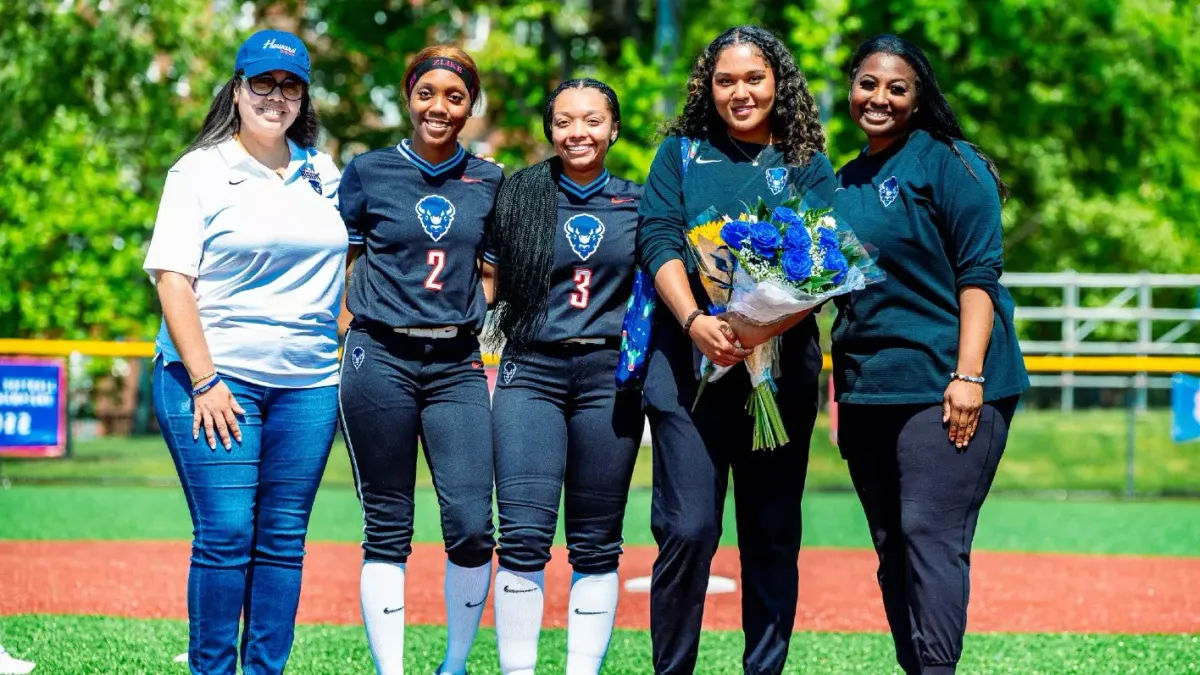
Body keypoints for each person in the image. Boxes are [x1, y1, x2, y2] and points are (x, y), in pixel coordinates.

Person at [143, 29, 345, 675]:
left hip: (309, 386)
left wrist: (333, 329)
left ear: (303, 95)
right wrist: (205, 380)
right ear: (237, 89)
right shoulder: (199, 170)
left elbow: (354, 261)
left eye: (290, 85)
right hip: (216, 382)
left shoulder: (324, 170)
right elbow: (173, 278)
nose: (275, 96)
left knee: (283, 542)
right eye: (262, 82)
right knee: (227, 535)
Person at [635, 25, 837, 675]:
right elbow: (659, 239)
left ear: (778, 81)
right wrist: (696, 318)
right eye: (726, 80)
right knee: (688, 529)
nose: (740, 91)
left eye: (754, 78)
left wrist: (759, 327)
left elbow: (829, 264)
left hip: (779, 372)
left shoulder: (804, 157)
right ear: (708, 85)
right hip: (688, 366)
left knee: (772, 535)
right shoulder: (681, 154)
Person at [831, 34, 1030, 675]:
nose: (879, 98)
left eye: (897, 87)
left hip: (948, 380)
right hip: (868, 388)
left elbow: (980, 277)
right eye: (868, 83)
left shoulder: (952, 162)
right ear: (851, 86)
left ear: (918, 99)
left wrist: (967, 376)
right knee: (892, 546)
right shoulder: (842, 182)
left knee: (929, 533)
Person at [336, 45, 502, 675]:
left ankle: (454, 664)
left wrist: (473, 312)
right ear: (409, 96)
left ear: (470, 106)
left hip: (455, 360)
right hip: (378, 356)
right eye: (427, 92)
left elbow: (492, 273)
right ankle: (393, 670)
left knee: (469, 522)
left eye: (455, 96)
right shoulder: (369, 171)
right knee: (387, 526)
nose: (440, 106)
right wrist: (347, 330)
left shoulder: (488, 180)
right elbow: (344, 263)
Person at [487, 78, 643, 675]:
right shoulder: (521, 195)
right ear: (550, 129)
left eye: (592, 120)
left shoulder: (641, 202)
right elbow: (484, 280)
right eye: (564, 121)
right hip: (532, 371)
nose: (578, 132)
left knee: (597, 542)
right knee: (523, 536)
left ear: (613, 128)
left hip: (607, 375)